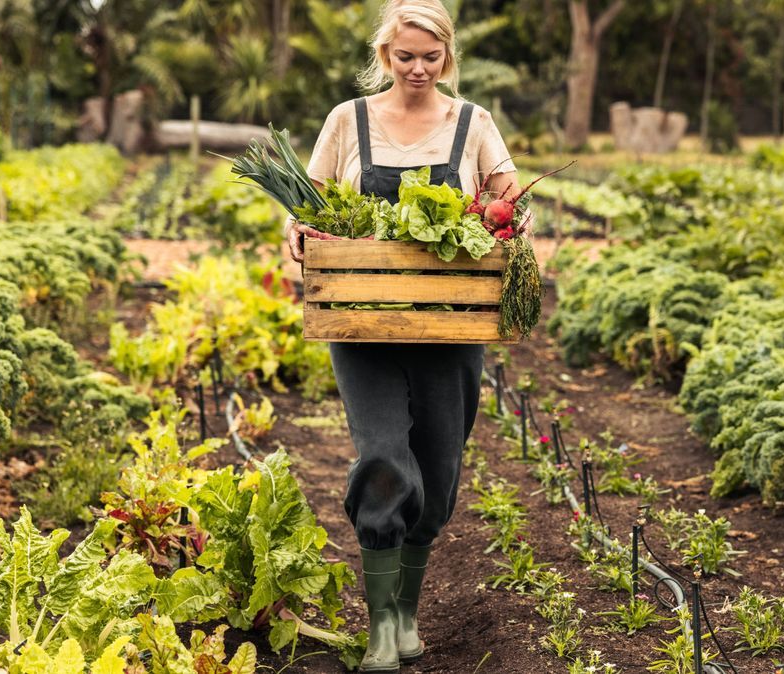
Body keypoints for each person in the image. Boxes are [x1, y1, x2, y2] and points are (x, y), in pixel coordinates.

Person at [283, 1, 529, 670]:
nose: (417, 69)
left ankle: (409, 611)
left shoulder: (474, 124)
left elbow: (509, 200)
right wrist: (301, 242)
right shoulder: (347, 121)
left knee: (441, 471)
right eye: (404, 57)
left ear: (446, 57)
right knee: (385, 458)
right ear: (385, 57)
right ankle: (380, 627)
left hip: (450, 325)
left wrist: (515, 226)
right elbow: (307, 212)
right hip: (362, 325)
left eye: (429, 57)